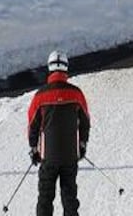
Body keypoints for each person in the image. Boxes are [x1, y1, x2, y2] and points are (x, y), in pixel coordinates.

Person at [28, 50, 91, 216]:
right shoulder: (76, 93)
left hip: (48, 157)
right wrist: (82, 144)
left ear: (49, 69)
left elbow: (32, 126)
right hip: (70, 156)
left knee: (45, 198)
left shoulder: (40, 96)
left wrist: (34, 149)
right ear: (66, 69)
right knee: (69, 198)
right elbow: (85, 121)